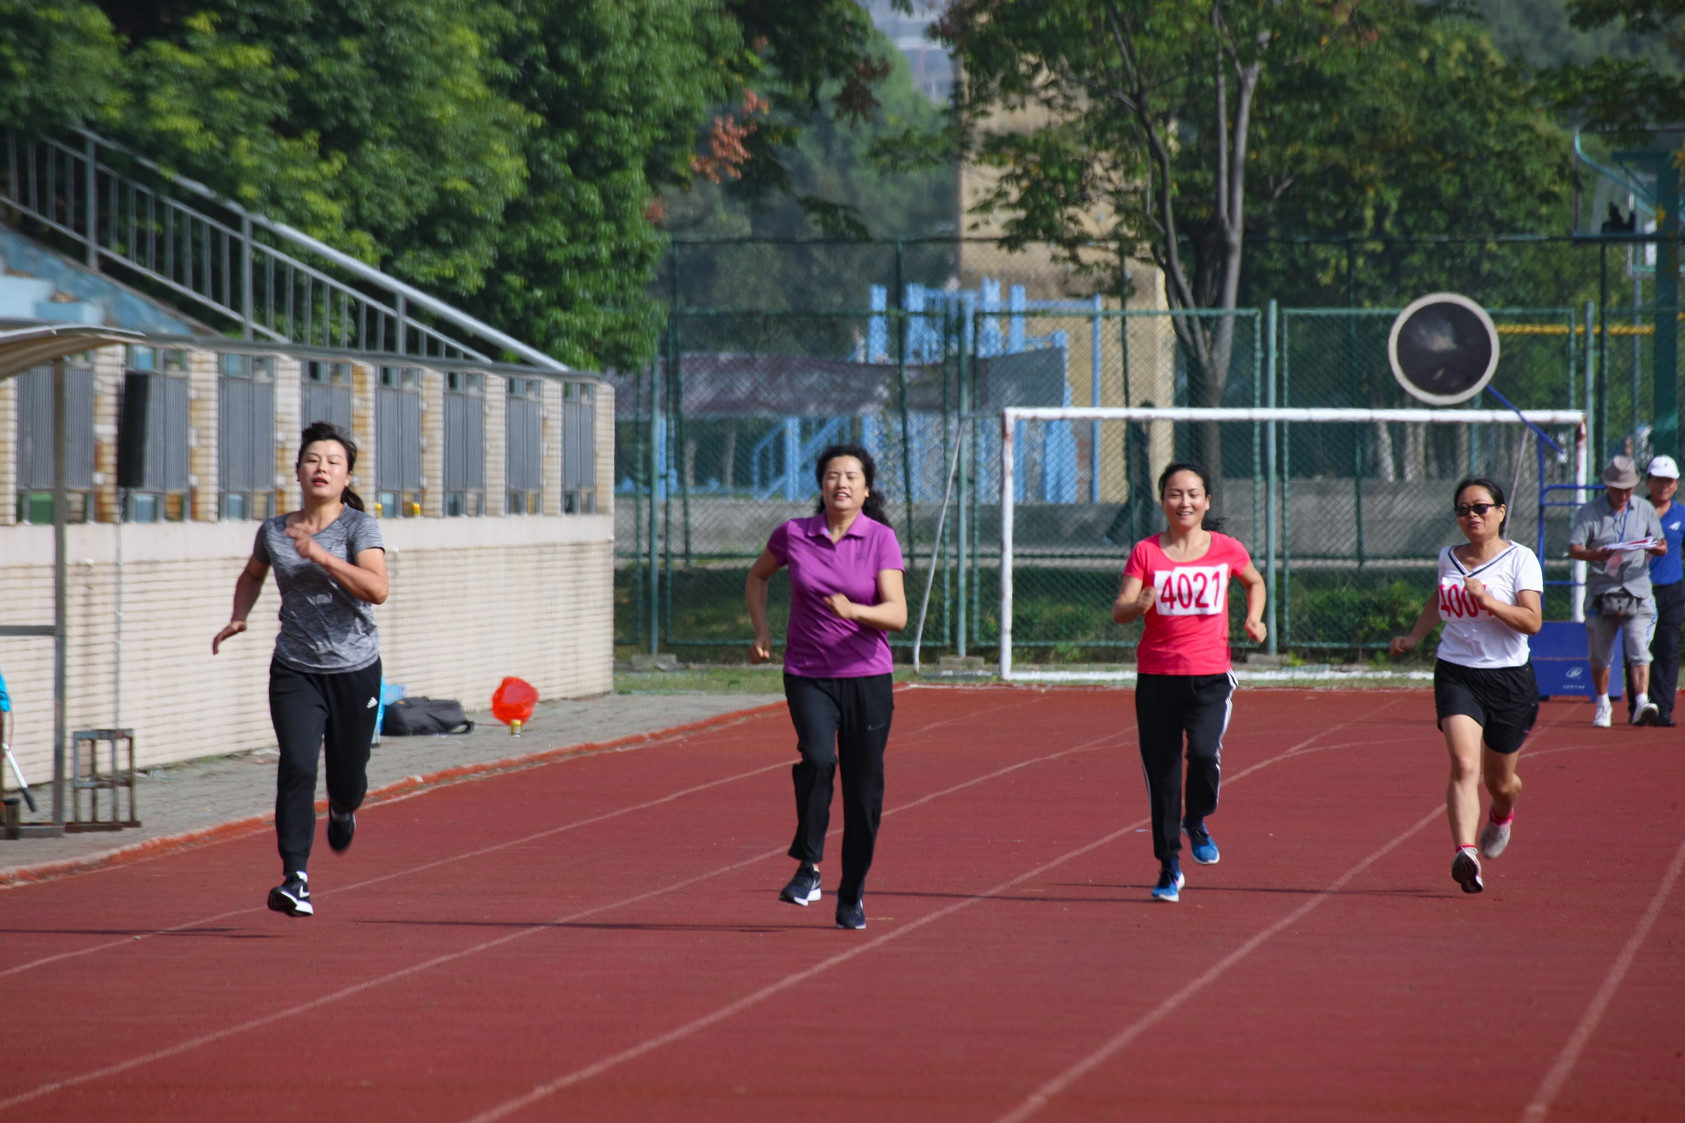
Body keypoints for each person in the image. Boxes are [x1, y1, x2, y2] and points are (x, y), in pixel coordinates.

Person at [213, 421, 389, 917]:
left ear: (347, 476)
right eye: (312, 460)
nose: (321, 468)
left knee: (346, 778)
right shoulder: (274, 531)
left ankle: (343, 808)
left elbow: (378, 589)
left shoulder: (358, 528)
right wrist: (239, 615)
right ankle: (296, 878)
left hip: (354, 668)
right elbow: (253, 573)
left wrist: (322, 556)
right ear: (297, 471)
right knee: (297, 765)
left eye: (333, 462)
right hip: (295, 668)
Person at [747, 444, 906, 930]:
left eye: (852, 476)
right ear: (821, 484)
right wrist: (762, 631)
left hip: (866, 678)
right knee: (817, 758)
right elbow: (757, 576)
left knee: (863, 794)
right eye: (834, 475)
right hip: (808, 674)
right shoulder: (794, 534)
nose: (842, 483)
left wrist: (854, 610)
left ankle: (851, 895)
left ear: (866, 489)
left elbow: (897, 614)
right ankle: (809, 866)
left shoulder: (880, 539)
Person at [1111, 462, 1267, 903]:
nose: (1185, 502)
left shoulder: (1226, 549)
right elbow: (1119, 610)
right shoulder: (1146, 552)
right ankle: (1169, 867)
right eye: (1175, 494)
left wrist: (1254, 618)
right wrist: (1139, 604)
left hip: (1210, 677)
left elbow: (1254, 581)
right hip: (1157, 678)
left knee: (1201, 753)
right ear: (1163, 501)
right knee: (1162, 777)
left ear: (1207, 501)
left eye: (1193, 494)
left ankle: (1196, 819)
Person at [1390, 478, 1543, 894]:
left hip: (1509, 679)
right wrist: (1414, 637)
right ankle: (1466, 854)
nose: (1471, 516)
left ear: (1501, 511)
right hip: (1457, 672)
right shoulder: (1449, 557)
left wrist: (1488, 601)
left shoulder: (1520, 559)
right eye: (1463, 510)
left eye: (1480, 508)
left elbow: (1532, 621)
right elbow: (1439, 599)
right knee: (1463, 765)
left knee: (1500, 783)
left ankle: (1502, 813)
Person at [1568, 455, 1666, 727]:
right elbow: (1574, 548)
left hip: (1638, 589)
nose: (1622, 495)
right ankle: (1602, 704)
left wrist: (1653, 547)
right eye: (1616, 489)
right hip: (1603, 590)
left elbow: (1661, 545)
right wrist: (1596, 554)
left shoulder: (1645, 509)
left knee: (1639, 648)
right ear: (1607, 486)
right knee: (1600, 654)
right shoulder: (1589, 512)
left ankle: (1642, 701)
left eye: (1627, 489)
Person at [1624, 456, 1683, 726]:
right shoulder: (1632, 511)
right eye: (1658, 480)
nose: (1663, 486)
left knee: (1667, 649)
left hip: (1671, 591)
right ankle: (1639, 705)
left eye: (1669, 481)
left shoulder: (1681, 515)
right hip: (1637, 590)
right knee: (1637, 648)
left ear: (1676, 484)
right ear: (1647, 482)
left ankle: (1664, 709)